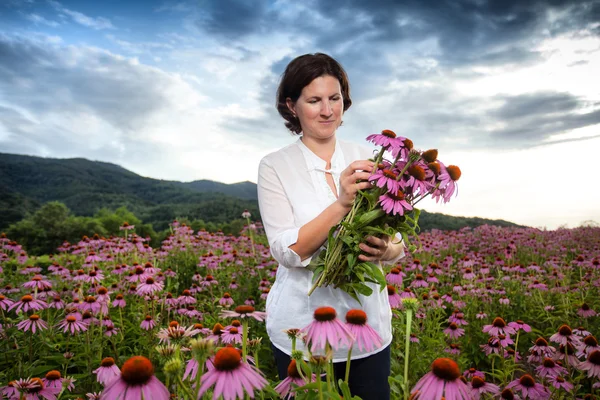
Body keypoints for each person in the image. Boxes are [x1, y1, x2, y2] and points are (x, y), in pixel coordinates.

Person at [257, 53, 405, 400]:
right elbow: (287, 250)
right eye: (314, 100)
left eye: (334, 98)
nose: (327, 111)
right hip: (302, 328)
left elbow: (397, 240)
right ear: (291, 106)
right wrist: (341, 204)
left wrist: (386, 249)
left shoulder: (369, 157)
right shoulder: (275, 166)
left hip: (366, 327)